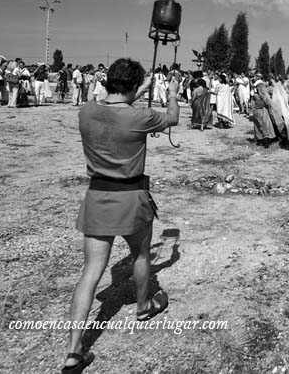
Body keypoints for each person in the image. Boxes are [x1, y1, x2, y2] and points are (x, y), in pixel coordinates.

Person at [63, 58, 179, 374]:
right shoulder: (140, 116)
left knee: (91, 272)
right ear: (133, 87)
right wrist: (172, 92)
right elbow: (172, 119)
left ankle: (74, 351)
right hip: (131, 198)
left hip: (98, 197)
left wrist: (136, 88)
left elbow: (109, 105)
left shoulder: (86, 111)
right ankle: (143, 307)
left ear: (108, 81)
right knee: (141, 257)